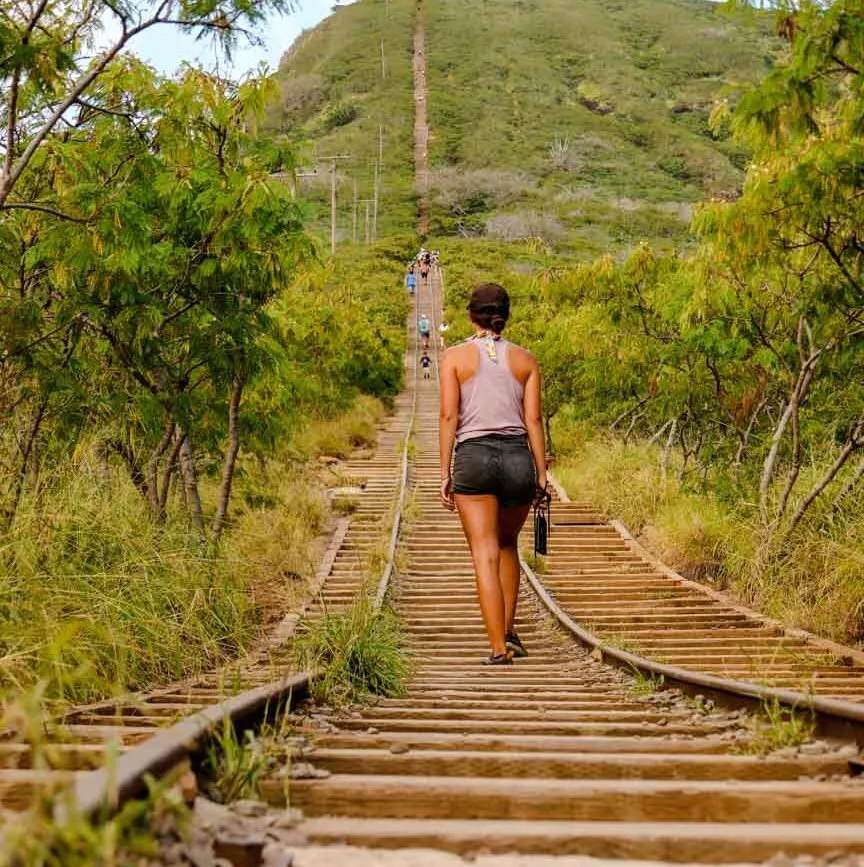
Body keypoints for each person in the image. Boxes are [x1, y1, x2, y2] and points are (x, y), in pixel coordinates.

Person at [439, 283, 546, 665]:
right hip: (518, 459)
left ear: (471, 315)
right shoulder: (526, 360)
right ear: (506, 316)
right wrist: (541, 473)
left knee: (484, 553)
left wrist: (444, 471)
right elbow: (533, 419)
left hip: (474, 458)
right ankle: (509, 632)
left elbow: (449, 416)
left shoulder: (454, 357)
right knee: (507, 545)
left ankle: (499, 648)